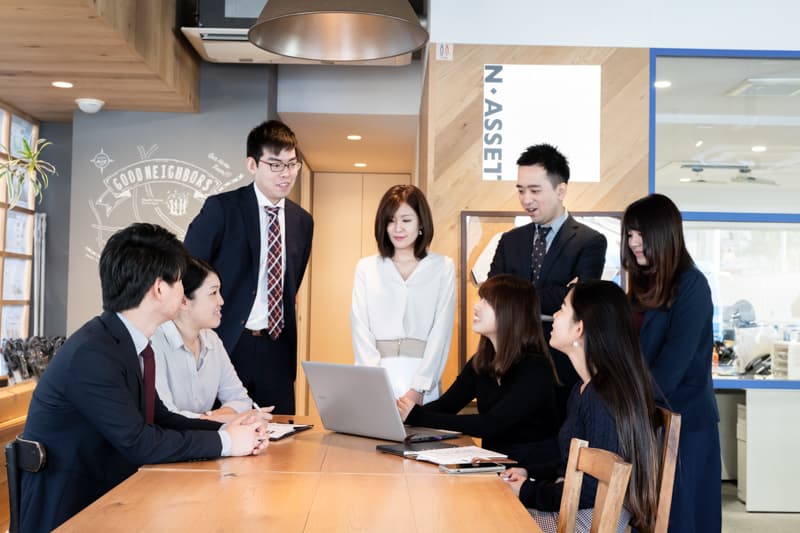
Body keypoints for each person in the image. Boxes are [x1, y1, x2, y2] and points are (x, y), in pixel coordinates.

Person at [20, 223, 268, 532]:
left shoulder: (123, 340)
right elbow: (139, 442)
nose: (183, 290)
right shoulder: (93, 353)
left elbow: (158, 416)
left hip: (115, 496)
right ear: (160, 288)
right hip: (74, 512)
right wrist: (226, 442)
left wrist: (225, 427)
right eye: (179, 280)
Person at [503, 280, 660, 533]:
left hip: (589, 519)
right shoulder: (585, 388)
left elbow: (591, 489)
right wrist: (528, 471)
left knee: (492, 516)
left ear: (579, 328)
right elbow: (572, 463)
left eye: (562, 308)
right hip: (576, 508)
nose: (553, 314)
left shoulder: (603, 396)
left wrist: (527, 490)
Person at [185, 120, 313, 414]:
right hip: (226, 341)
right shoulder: (222, 208)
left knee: (279, 437)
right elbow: (187, 270)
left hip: (277, 347)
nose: (286, 174)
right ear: (252, 164)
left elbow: (291, 283)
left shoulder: (302, 222)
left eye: (292, 165)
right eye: (275, 165)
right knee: (224, 431)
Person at [622, 193, 721, 533]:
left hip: (684, 424)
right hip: (648, 422)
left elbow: (672, 369)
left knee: (683, 519)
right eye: (629, 234)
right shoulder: (641, 284)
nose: (633, 242)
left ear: (663, 232)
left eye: (640, 234)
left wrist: (624, 401)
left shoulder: (692, 285)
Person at [488, 143, 607, 423]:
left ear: (561, 189)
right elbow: (493, 296)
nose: (526, 199)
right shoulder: (510, 241)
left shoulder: (590, 242)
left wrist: (515, 298)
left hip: (561, 372)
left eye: (535, 190)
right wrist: (558, 292)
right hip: (510, 365)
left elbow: (577, 304)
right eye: (520, 190)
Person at [397, 274, 560, 464]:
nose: (477, 306)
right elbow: (446, 406)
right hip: (496, 464)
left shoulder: (535, 368)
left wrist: (417, 415)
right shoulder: (483, 361)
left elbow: (489, 424)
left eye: (487, 301)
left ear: (511, 312)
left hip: (531, 473)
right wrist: (400, 416)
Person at [351, 184, 455, 404]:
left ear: (421, 223)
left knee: (422, 437)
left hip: (422, 379)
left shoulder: (442, 267)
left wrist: (419, 387)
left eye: (406, 220)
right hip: (377, 380)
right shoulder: (366, 268)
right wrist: (374, 383)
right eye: (391, 220)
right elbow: (360, 328)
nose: (397, 228)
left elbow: (441, 333)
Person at [151, 256, 274, 423]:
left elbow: (241, 399)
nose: (221, 301)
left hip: (207, 442)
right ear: (183, 301)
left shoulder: (212, 339)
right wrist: (228, 419)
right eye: (213, 293)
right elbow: (166, 416)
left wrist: (213, 417)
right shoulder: (154, 343)